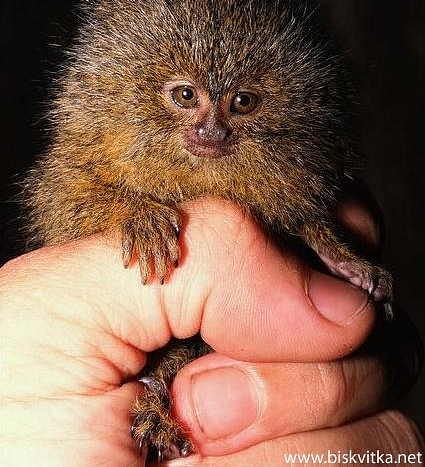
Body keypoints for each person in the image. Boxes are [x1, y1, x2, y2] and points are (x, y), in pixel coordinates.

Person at [0, 196, 423, 465]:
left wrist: (326, 245)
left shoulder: (288, 182)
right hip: (141, 370)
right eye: (186, 96)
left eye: (242, 104)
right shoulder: (96, 170)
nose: (211, 129)